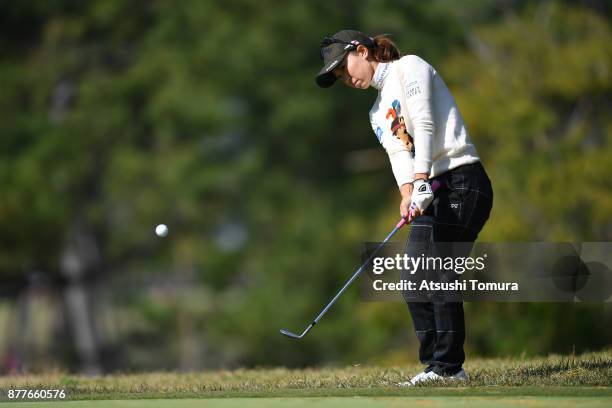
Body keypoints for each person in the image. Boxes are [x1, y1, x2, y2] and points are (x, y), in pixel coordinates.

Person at [316, 30, 493, 385]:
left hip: (462, 180)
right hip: (429, 187)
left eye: (343, 67)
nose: (345, 78)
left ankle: (449, 368)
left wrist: (422, 175)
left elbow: (424, 123)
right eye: (337, 76)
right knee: (413, 276)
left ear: (362, 51)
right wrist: (406, 192)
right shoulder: (376, 111)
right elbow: (399, 153)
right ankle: (433, 367)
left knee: (440, 270)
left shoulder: (409, 67)